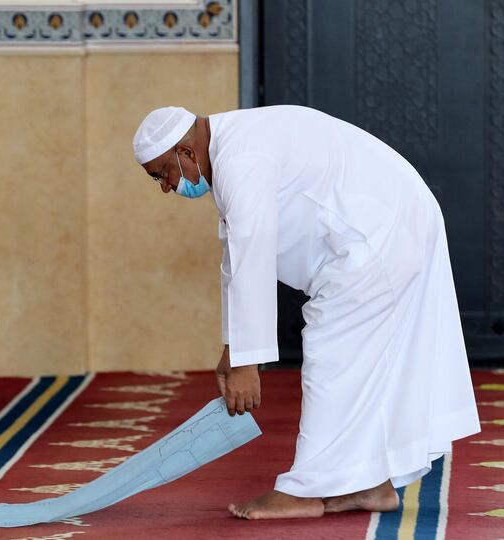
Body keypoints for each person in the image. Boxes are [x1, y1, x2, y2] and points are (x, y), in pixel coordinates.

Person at [131, 105, 481, 520]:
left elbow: (253, 254)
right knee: (357, 363)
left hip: (377, 235)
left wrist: (247, 363)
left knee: (331, 355)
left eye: (161, 174)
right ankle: (370, 485)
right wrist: (233, 347)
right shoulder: (233, 148)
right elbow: (236, 257)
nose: (166, 188)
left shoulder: (242, 158)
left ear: (186, 153)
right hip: (386, 226)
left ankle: (305, 491)